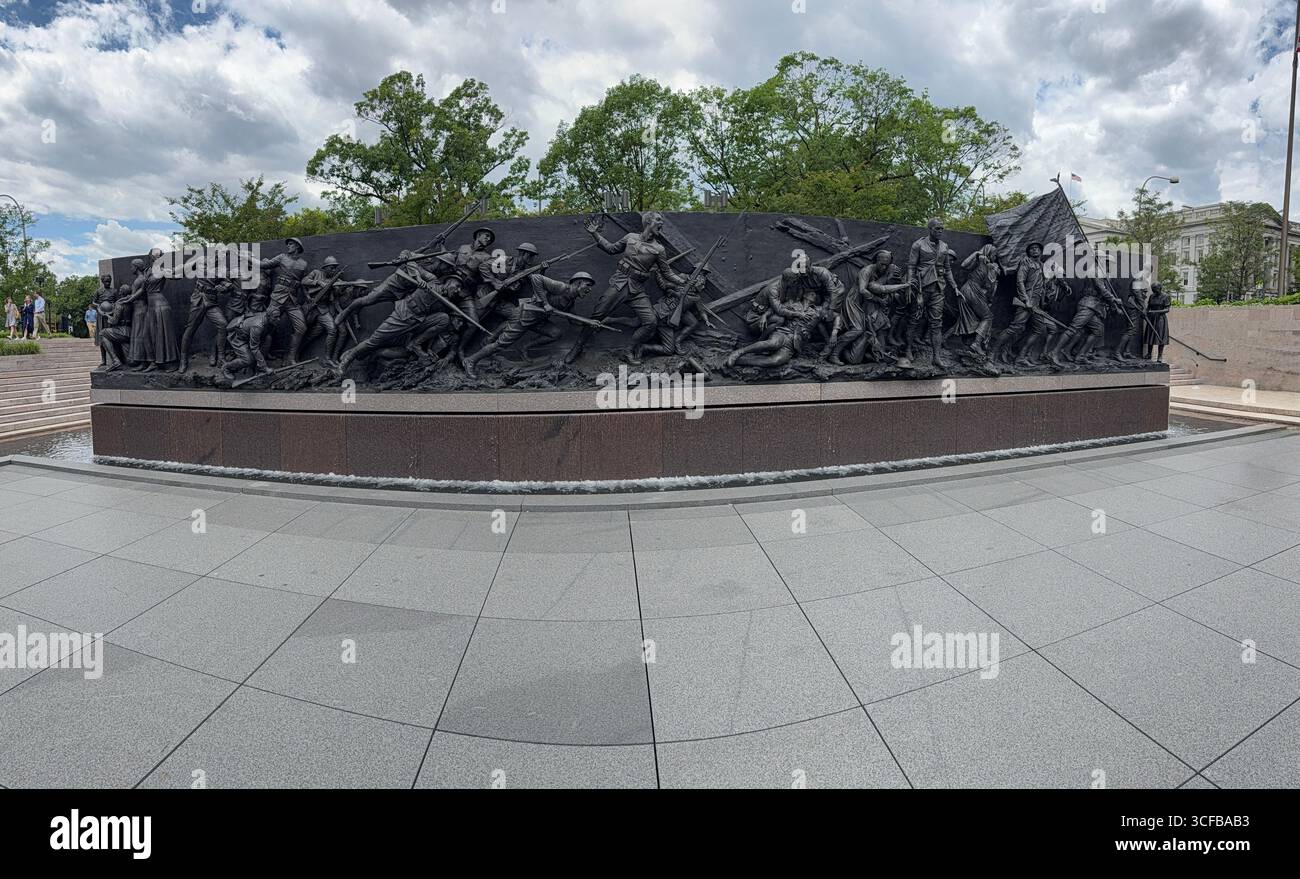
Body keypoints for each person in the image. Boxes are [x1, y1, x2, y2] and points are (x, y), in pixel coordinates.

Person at [1143, 282, 1171, 362]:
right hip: (1151, 318)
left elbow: (1167, 309)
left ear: (1159, 288)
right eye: (1153, 290)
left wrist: (1155, 312)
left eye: (1155, 290)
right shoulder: (1152, 296)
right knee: (1150, 336)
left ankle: (1160, 356)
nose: (1154, 292)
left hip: (1160, 319)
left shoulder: (1166, 296)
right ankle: (1149, 354)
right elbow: (1149, 307)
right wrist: (1145, 312)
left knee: (1160, 337)